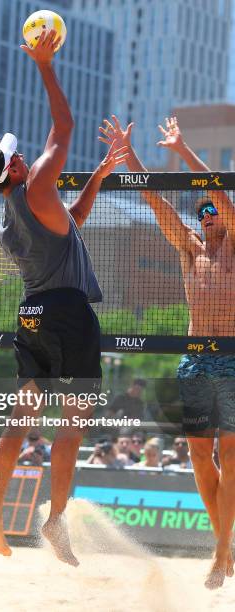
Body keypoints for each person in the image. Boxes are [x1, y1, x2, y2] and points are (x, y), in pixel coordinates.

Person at [0, 31, 128, 566]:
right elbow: (64, 126)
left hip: (31, 314)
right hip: (66, 312)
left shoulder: (8, 222)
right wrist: (44, 64)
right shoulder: (36, 181)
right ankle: (55, 521)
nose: (25, 158)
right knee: (72, 425)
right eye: (19, 156)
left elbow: (73, 223)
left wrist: (101, 175)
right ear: (14, 168)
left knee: (21, 419)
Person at [99, 114, 235, 589]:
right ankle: (226, 545)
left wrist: (180, 151)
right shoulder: (190, 250)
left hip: (234, 358)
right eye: (202, 214)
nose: (208, 216)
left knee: (231, 453)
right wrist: (131, 156)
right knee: (200, 456)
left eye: (213, 211)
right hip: (196, 359)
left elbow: (217, 191)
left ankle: (221, 552)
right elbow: (153, 199)